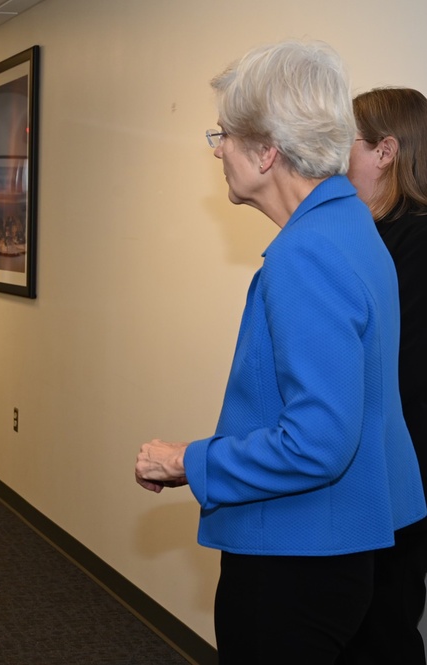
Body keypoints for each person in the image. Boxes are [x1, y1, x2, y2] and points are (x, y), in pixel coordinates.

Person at [133, 41, 426, 664]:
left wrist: (189, 461)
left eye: (225, 134)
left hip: (296, 556)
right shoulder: (353, 225)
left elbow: (319, 440)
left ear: (267, 152)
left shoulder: (305, 255)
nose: (217, 149)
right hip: (348, 542)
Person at [336, 88, 427, 664]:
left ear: (386, 151)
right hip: (371, 462)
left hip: (398, 467)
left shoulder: (415, 239)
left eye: (350, 142)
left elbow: (401, 371)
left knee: (385, 626)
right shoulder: (370, 235)